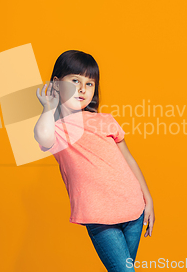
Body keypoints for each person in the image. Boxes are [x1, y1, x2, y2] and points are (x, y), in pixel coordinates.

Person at [34, 50, 155, 272]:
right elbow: (41, 136)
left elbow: (128, 159)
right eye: (75, 80)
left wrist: (148, 198)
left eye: (90, 84)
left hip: (134, 208)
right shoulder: (57, 128)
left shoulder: (105, 120)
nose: (82, 88)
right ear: (57, 83)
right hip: (99, 216)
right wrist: (48, 108)